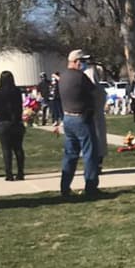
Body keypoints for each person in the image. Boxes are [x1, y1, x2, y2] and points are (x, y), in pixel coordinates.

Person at [58, 49, 100, 198]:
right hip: (81, 118)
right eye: (82, 61)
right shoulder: (80, 77)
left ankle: (64, 187)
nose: (84, 64)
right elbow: (95, 92)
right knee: (89, 153)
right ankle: (91, 186)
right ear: (76, 61)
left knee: (70, 154)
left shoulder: (62, 77)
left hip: (67, 118)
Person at [0, 70, 26, 180]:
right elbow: (20, 105)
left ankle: (9, 174)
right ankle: (20, 173)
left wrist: (0, 110)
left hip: (2, 122)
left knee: (6, 149)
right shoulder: (17, 91)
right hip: (16, 122)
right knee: (18, 148)